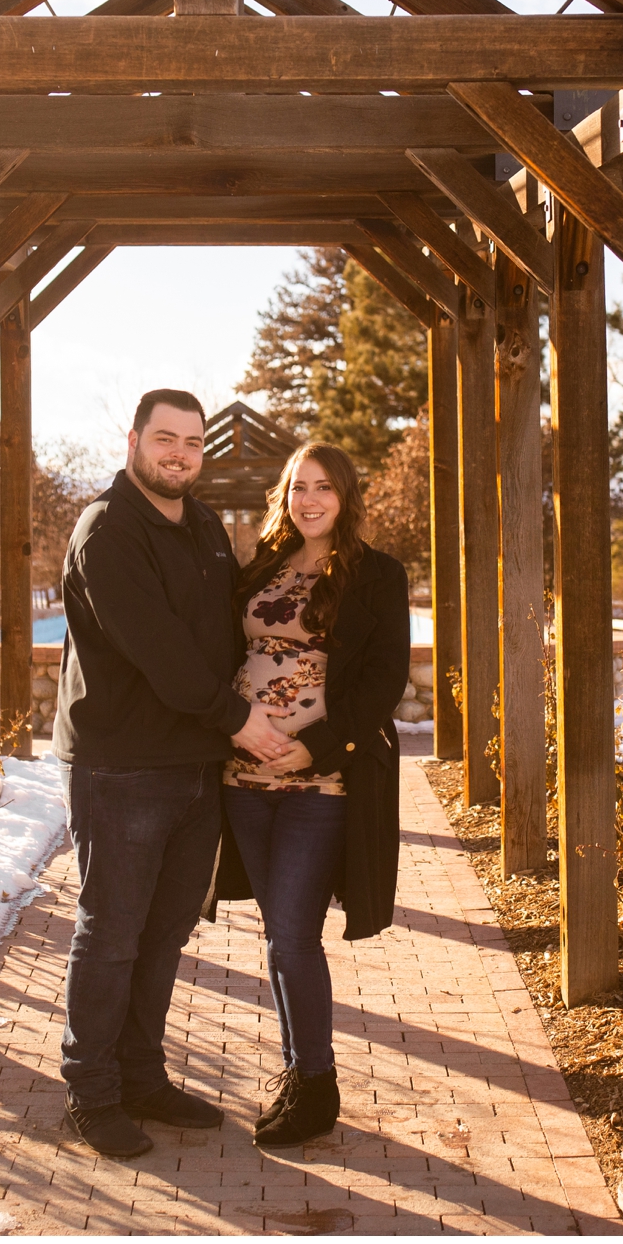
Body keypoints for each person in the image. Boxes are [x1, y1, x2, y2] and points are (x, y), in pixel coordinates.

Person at [52, 388, 299, 1159]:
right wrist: (240, 722)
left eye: (193, 443)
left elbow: (233, 626)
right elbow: (159, 649)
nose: (180, 454)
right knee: (113, 932)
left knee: (163, 934)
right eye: (166, 439)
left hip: (193, 766)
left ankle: (142, 1075)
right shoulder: (107, 529)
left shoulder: (203, 528)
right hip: (123, 767)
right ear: (133, 440)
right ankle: (92, 1091)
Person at [212, 441, 410, 1147]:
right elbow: (225, 654)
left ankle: (316, 1083)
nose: (311, 499)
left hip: (319, 781)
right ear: (285, 494)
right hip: (243, 779)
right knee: (278, 933)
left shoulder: (376, 575)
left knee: (295, 932)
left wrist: (314, 745)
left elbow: (382, 680)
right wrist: (237, 728)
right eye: (300, 486)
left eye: (324, 487)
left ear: (345, 495)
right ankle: (300, 1070)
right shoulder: (259, 567)